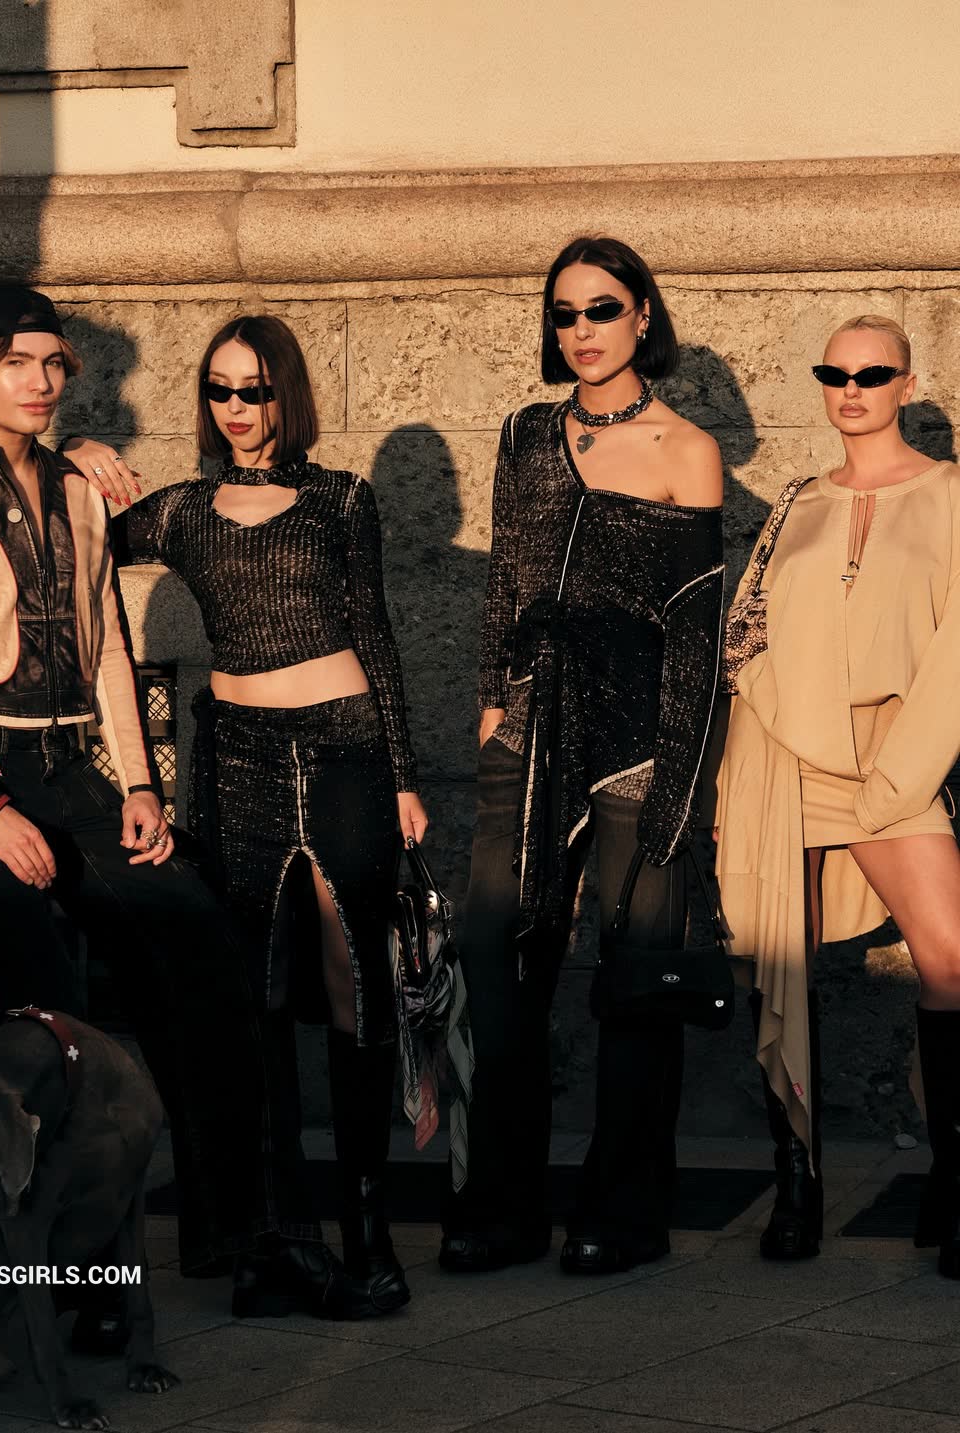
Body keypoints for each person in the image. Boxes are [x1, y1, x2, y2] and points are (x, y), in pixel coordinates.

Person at [0, 284, 287, 1330]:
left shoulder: (77, 487)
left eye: (54, 363)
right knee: (54, 1012)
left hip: (71, 769)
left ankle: (238, 1236)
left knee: (200, 942)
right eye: (17, 362)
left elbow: (109, 646)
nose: (41, 381)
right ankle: (81, 1281)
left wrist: (141, 785)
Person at [64, 313, 427, 1319]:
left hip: (346, 750)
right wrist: (72, 452)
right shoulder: (182, 510)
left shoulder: (341, 497)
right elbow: (64, 529)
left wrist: (404, 775)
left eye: (254, 390)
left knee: (355, 983)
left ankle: (368, 1233)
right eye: (219, 389)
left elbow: (375, 633)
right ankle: (277, 1241)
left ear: (287, 395)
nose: (236, 408)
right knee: (254, 993)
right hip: (239, 757)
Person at [438, 236, 725, 1276]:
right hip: (528, 728)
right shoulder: (526, 433)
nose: (582, 330)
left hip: (636, 740)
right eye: (564, 312)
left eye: (603, 308)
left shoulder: (688, 449)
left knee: (634, 978)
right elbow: (506, 584)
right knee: (496, 963)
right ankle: (503, 1206)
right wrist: (490, 704)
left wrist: (681, 783)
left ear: (644, 314)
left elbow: (695, 633)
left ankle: (624, 1212)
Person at [715, 314, 960, 1278]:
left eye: (872, 373)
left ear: (907, 383)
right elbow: (747, 635)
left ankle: (952, 1180)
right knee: (781, 964)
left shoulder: (950, 495)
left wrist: (905, 768)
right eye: (835, 372)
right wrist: (755, 755)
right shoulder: (796, 503)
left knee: (949, 958)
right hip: (786, 754)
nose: (851, 389)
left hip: (897, 755)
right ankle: (797, 1184)